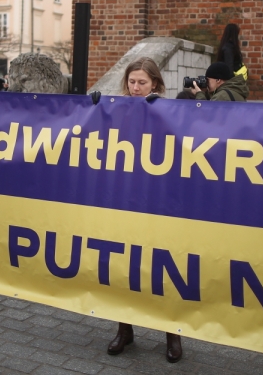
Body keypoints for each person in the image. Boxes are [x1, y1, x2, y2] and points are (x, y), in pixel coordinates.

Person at [106, 57, 183, 363]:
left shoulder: (169, 112)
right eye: (132, 82)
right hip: (126, 199)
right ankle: (125, 330)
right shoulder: (117, 109)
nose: (136, 88)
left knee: (162, 271)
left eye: (143, 83)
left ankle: (172, 334)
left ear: (155, 84)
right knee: (125, 267)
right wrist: (95, 109)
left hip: (159, 201)